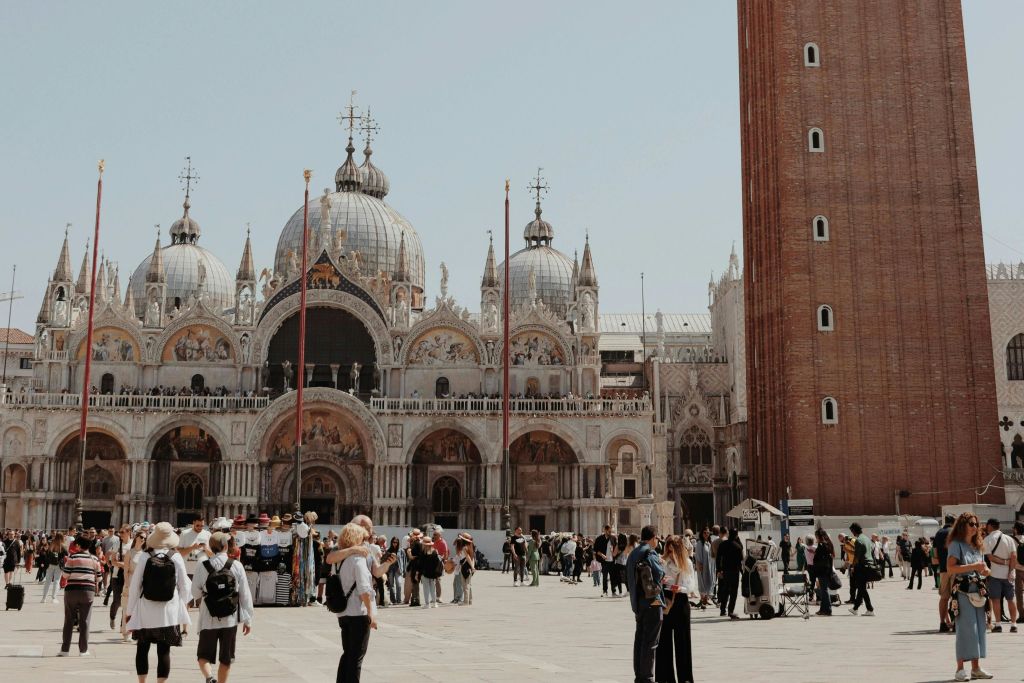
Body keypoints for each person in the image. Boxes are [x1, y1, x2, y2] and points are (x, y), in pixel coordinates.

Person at [126, 521, 193, 683]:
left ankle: (142, 682)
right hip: (168, 612)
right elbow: (185, 585)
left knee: (142, 648)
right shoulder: (175, 556)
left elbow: (135, 586)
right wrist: (181, 605)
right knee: (164, 651)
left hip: (145, 610)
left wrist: (129, 612)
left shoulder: (144, 556)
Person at [191, 531, 253, 683]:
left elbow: (195, 592)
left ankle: (209, 677)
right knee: (226, 659)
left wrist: (206, 596)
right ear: (226, 546)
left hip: (208, 617)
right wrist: (248, 619)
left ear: (210, 547)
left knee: (203, 656)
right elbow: (245, 594)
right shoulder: (236, 565)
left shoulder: (202, 565)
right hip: (230, 619)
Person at [947, 512, 993, 682]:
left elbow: (984, 568)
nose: (975, 527)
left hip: (978, 591)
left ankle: (976, 668)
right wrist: (974, 566)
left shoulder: (977, 545)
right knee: (966, 630)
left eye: (976, 524)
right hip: (963, 591)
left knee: (979, 629)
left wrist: (986, 571)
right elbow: (951, 568)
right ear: (963, 525)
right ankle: (960, 669)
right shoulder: (955, 544)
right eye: (972, 524)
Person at [333, 523, 378, 683]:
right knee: (356, 658)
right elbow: (364, 589)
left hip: (343, 613)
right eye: (363, 538)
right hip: (358, 614)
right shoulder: (357, 559)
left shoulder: (340, 560)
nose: (365, 541)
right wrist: (371, 614)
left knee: (348, 654)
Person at [627, 525, 666, 683]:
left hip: (638, 603)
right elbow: (659, 574)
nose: (657, 541)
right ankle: (648, 677)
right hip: (652, 602)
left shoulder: (633, 553)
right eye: (657, 538)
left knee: (640, 640)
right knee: (651, 642)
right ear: (653, 537)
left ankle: (639, 676)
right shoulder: (650, 553)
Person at [655, 535, 696, 683]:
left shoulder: (687, 563)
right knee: (663, 642)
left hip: (681, 600)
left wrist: (681, 588)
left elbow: (692, 585)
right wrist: (661, 581)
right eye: (669, 550)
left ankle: (685, 678)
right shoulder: (662, 562)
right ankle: (665, 678)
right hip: (665, 599)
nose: (671, 554)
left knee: (683, 642)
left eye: (673, 551)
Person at [58, 536, 102, 656]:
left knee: (69, 620)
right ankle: (83, 650)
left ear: (78, 546)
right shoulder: (95, 559)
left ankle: (65, 650)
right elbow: (99, 577)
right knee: (85, 621)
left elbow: (66, 575)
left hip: (72, 590)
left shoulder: (73, 557)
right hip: (88, 591)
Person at [982, 518, 1018, 633]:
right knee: (1011, 599)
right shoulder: (1009, 538)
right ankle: (1014, 624)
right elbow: (1014, 556)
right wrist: (1011, 570)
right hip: (1009, 574)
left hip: (995, 574)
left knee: (996, 600)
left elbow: (990, 558)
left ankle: (998, 624)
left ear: (990, 526)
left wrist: (1003, 562)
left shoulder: (987, 539)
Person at [847, 522, 875, 616]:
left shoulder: (858, 540)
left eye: (852, 531)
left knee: (861, 587)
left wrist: (852, 567)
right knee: (861, 587)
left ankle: (870, 609)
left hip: (861, 566)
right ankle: (856, 608)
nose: (852, 533)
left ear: (854, 530)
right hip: (869, 564)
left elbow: (856, 556)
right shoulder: (867, 538)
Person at [934, 514, 956, 632]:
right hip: (955, 568)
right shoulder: (955, 532)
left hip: (943, 568)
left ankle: (942, 623)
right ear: (954, 522)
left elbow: (935, 553)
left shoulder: (938, 533)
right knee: (956, 595)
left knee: (944, 597)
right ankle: (955, 622)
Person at [716, 529, 743, 619]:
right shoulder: (737, 546)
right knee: (733, 592)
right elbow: (740, 561)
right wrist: (742, 573)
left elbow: (718, 558)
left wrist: (718, 569)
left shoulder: (722, 544)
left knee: (725, 590)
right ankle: (730, 611)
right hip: (734, 571)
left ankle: (722, 609)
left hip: (725, 571)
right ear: (736, 535)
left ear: (728, 535)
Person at [39, 535, 67, 603]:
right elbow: (66, 553)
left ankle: (44, 598)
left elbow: (47, 554)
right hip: (58, 565)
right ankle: (54, 598)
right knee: (56, 581)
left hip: (50, 564)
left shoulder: (51, 544)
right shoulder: (62, 546)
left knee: (48, 581)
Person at [812, 528, 833, 616]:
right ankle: (823, 609)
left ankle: (828, 609)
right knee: (823, 590)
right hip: (825, 570)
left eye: (816, 536)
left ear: (818, 536)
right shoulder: (827, 544)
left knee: (824, 590)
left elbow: (819, 559)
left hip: (822, 571)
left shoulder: (821, 545)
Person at [692, 527, 713, 608]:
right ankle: (702, 599)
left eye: (708, 533)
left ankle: (706, 599)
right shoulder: (700, 543)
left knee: (709, 581)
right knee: (702, 581)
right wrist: (699, 565)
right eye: (704, 532)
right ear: (702, 533)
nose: (706, 534)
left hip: (709, 566)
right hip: (702, 565)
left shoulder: (709, 543)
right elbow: (698, 555)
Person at [594, 525, 616, 596]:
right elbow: (596, 550)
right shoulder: (599, 539)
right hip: (604, 561)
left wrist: (614, 553)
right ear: (605, 530)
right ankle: (605, 590)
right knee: (605, 577)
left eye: (611, 531)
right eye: (609, 531)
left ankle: (613, 591)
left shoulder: (613, 538)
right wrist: (602, 555)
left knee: (613, 576)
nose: (610, 532)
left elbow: (616, 548)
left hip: (612, 560)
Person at [457, 533, 475, 606]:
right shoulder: (471, 546)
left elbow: (468, 558)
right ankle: (470, 600)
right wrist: (472, 567)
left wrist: (472, 567)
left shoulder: (464, 548)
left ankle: (465, 601)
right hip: (470, 567)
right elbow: (472, 558)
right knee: (469, 584)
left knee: (465, 585)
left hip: (465, 567)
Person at [1013, 522, 1024, 624]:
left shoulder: (1012, 540)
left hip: (1018, 569)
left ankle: (1022, 615)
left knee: (1019, 593)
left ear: (1016, 529)